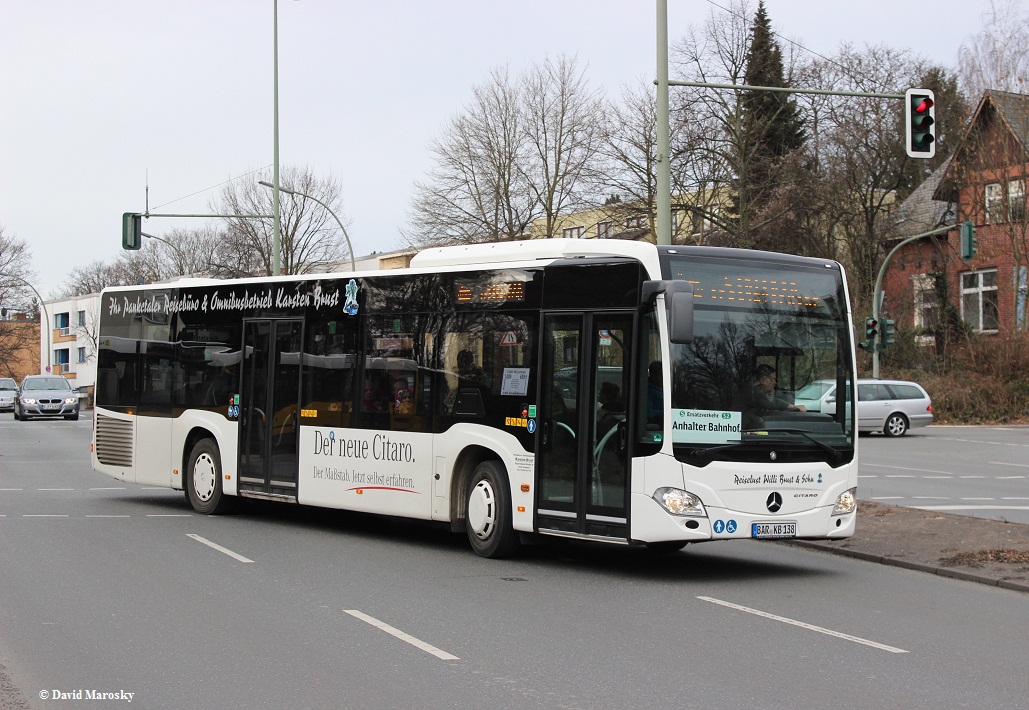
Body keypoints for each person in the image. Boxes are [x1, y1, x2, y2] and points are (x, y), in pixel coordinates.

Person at [736, 364, 806, 428]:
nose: (775, 383)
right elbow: (770, 402)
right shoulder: (751, 391)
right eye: (772, 379)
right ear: (763, 379)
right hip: (739, 431)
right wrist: (794, 407)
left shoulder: (757, 390)